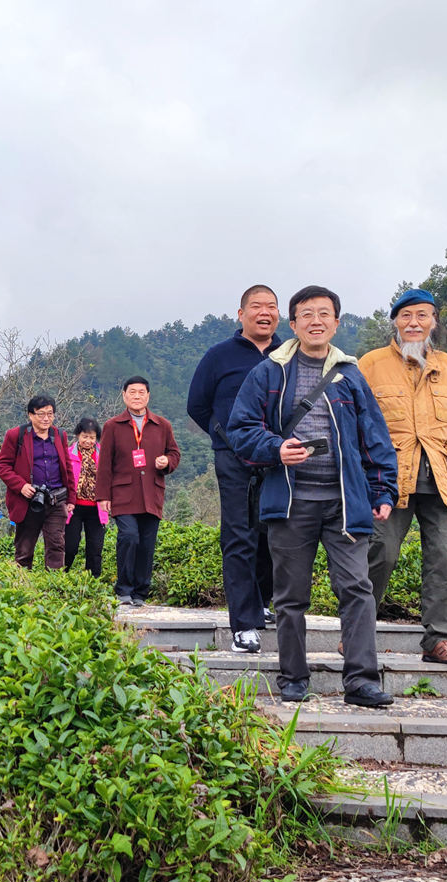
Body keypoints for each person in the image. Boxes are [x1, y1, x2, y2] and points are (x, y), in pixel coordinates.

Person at [227, 284, 400, 709]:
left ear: (337, 323)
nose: (316, 321)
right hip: (290, 501)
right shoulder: (269, 372)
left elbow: (374, 436)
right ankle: (293, 676)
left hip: (344, 500)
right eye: (307, 314)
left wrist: (384, 489)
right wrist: (275, 448)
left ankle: (361, 680)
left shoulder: (350, 375)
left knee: (356, 589)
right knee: (290, 596)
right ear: (294, 323)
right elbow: (240, 428)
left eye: (324, 314)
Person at [361, 288, 447, 666]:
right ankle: (357, 632)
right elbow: (354, 416)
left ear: (434, 321)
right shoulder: (371, 364)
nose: (414, 323)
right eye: (406, 316)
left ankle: (438, 640)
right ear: (394, 322)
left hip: (441, 478)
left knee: (444, 557)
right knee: (381, 553)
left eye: (423, 316)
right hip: (389, 479)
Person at [188, 284, 282, 652]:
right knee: (240, 534)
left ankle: (261, 601)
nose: (264, 312)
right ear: (240, 314)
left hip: (278, 456)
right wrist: (223, 436)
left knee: (275, 532)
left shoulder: (289, 354)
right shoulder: (219, 356)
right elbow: (198, 405)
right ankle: (244, 624)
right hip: (234, 458)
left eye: (271, 306)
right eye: (256, 306)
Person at [96, 380, 180, 604]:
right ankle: (123, 589)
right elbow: (104, 463)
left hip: (152, 493)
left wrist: (166, 462)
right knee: (129, 537)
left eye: (141, 392)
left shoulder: (162, 425)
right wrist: (103, 496)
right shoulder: (113, 426)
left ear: (148, 396)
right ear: (124, 396)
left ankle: (141, 592)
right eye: (131, 392)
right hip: (123, 493)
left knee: (146, 544)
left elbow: (174, 453)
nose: (136, 396)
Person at [0, 395, 75, 569]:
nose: (46, 418)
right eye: (41, 414)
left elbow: (67, 467)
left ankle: (53, 588)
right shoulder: (16, 435)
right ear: (30, 415)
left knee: (56, 546)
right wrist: (21, 486)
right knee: (24, 549)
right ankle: (22, 589)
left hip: (56, 499)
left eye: (50, 413)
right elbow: (2, 465)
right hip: (28, 501)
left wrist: (71, 499)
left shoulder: (60, 435)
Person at [63, 418, 109, 578]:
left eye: (92, 437)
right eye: (85, 436)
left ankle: (92, 584)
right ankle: (59, 579)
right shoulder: (68, 454)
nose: (88, 441)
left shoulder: (104, 455)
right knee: (70, 546)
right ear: (77, 435)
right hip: (73, 507)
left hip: (97, 508)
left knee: (95, 549)